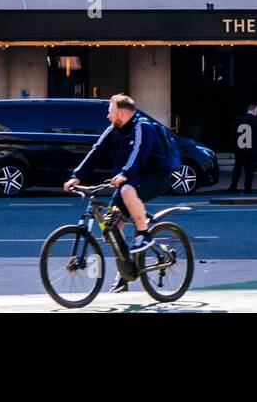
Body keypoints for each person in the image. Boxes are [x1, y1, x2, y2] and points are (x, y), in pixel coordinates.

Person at [63, 94, 179, 294]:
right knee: (111, 229)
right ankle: (125, 274)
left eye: (110, 111)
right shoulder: (114, 130)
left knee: (126, 190)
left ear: (122, 113)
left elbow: (139, 154)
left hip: (155, 177)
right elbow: (96, 152)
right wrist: (77, 176)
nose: (108, 116)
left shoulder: (143, 127)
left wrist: (124, 173)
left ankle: (143, 235)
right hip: (130, 179)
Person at [229, 104, 257, 195]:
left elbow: (233, 134)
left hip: (240, 149)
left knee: (237, 169)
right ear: (254, 111)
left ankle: (233, 187)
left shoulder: (238, 119)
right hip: (252, 151)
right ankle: (247, 188)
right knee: (250, 170)